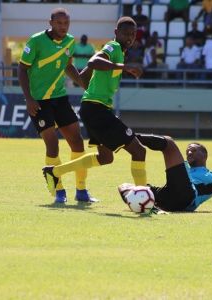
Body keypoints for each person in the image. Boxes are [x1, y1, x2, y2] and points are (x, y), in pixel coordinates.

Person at [42, 17, 147, 198]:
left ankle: (55, 172)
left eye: (132, 34)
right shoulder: (113, 47)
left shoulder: (119, 51)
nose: (129, 37)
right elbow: (94, 61)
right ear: (116, 33)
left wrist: (83, 78)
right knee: (139, 151)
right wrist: (124, 67)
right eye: (125, 33)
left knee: (105, 157)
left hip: (94, 108)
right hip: (96, 109)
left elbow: (86, 75)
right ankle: (146, 199)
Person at [18, 8, 96, 203]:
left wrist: (83, 83)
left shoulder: (70, 41)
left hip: (60, 98)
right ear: (50, 22)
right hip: (39, 101)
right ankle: (59, 191)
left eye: (66, 23)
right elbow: (21, 68)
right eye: (59, 23)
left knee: (77, 141)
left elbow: (67, 65)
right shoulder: (36, 41)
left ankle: (81, 191)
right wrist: (28, 99)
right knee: (52, 145)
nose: (63, 27)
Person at [119, 136, 212, 212]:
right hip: (169, 197)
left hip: (187, 197)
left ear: (205, 155)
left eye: (193, 150)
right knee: (124, 186)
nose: (189, 153)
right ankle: (151, 206)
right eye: (187, 151)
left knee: (169, 143)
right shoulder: (184, 169)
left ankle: (127, 136)